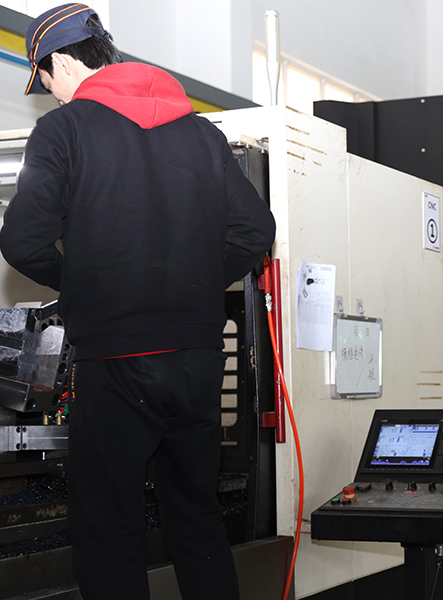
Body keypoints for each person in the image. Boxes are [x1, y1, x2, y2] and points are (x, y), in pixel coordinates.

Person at [0, 4, 276, 599]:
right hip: (198, 360)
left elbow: (21, 240)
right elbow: (256, 230)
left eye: (45, 79)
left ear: (64, 62)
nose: (51, 94)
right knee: (196, 518)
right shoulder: (202, 134)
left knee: (109, 528)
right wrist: (194, 286)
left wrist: (83, 285)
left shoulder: (65, 130)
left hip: (116, 361)